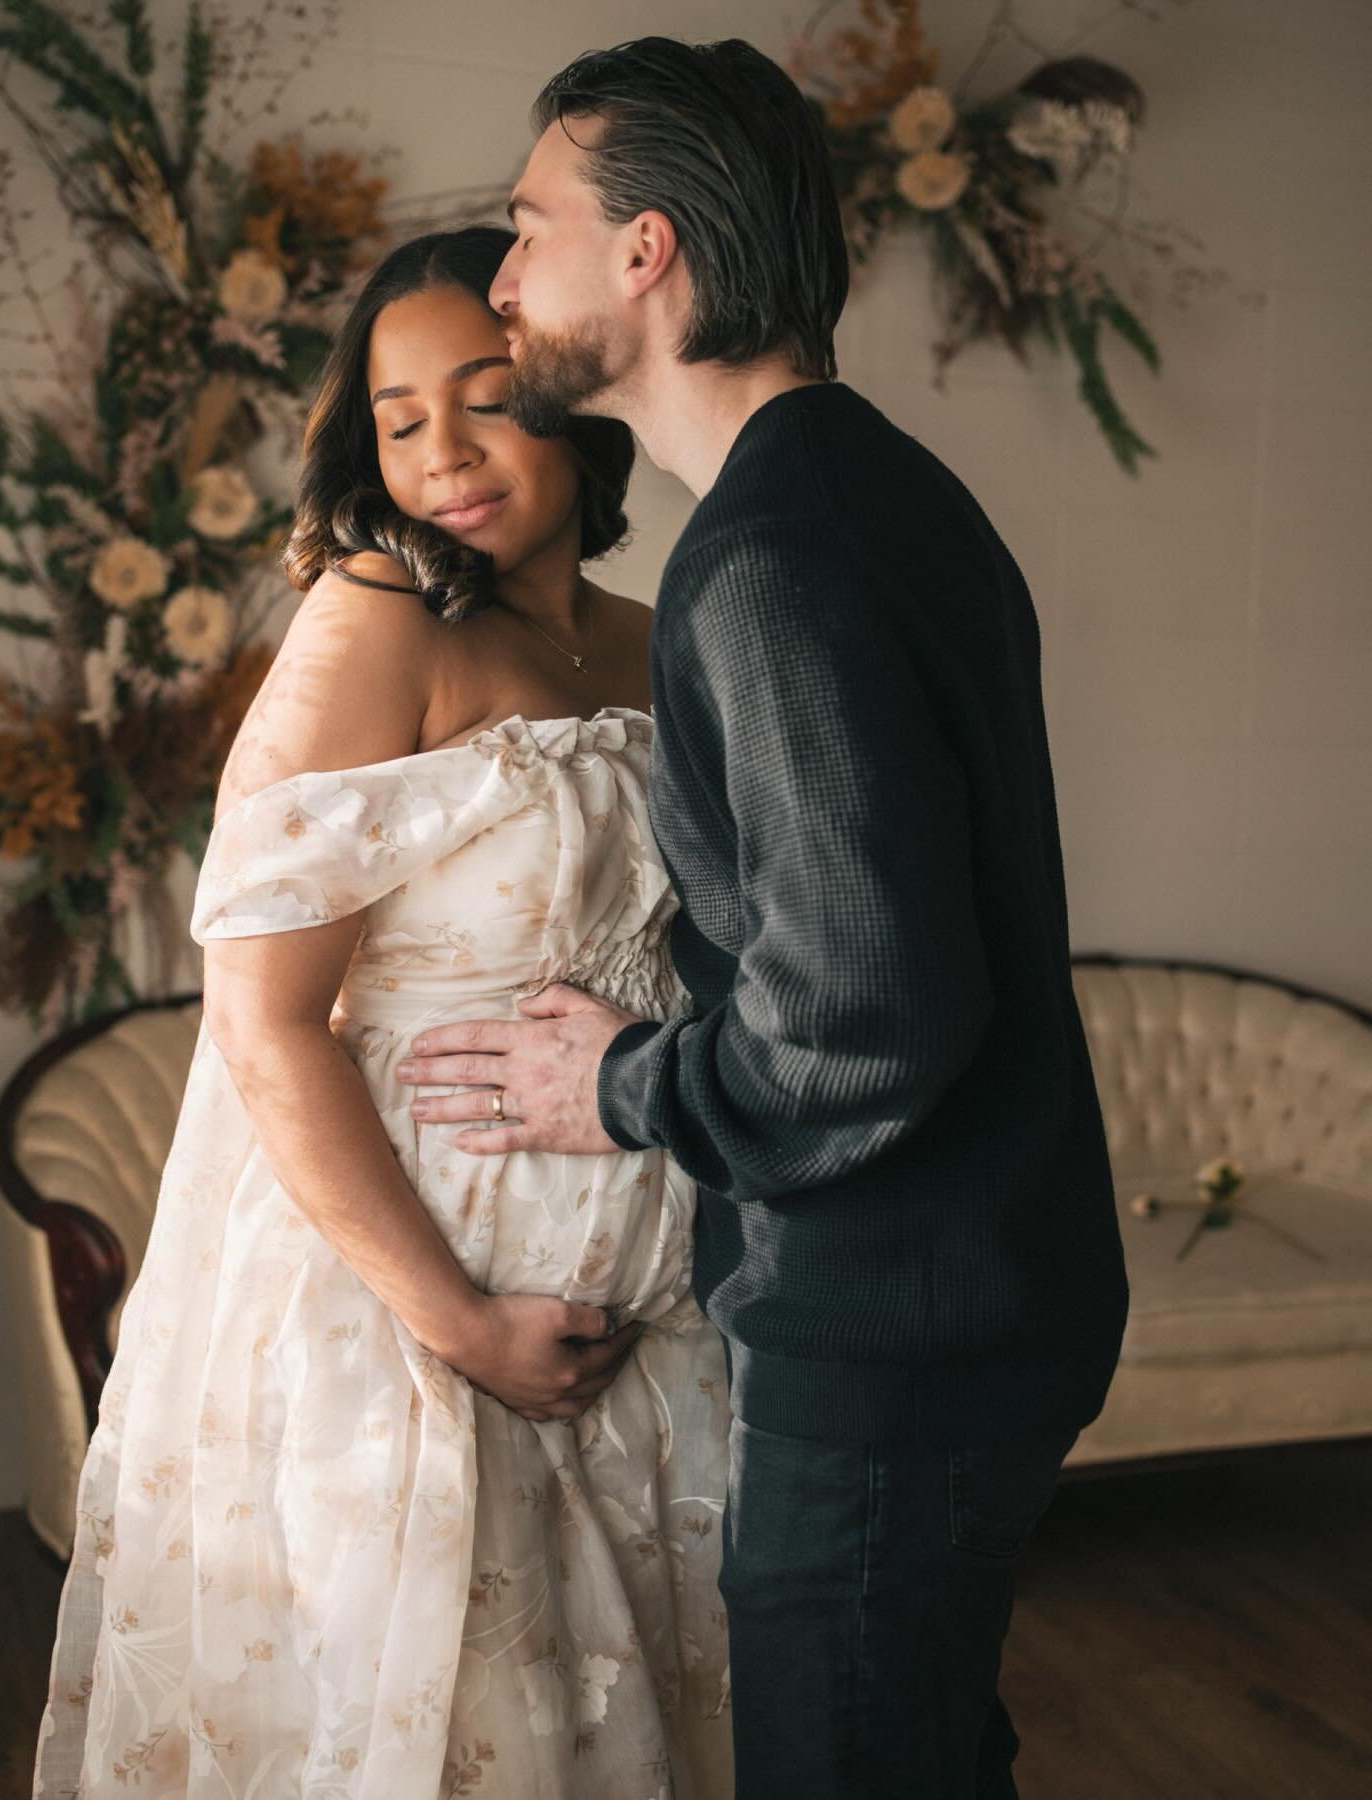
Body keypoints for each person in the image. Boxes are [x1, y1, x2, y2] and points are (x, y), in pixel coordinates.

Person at [397, 39, 1131, 1800]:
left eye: (527, 227)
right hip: (971, 1301)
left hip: (896, 1328)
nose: (502, 285)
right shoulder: (871, 490)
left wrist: (621, 1085)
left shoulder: (774, 562)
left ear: (648, 251)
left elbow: (861, 1011)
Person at [33, 225, 733, 1800]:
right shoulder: (376, 620)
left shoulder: (645, 639)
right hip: (410, 1310)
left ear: (573, 389)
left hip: (647, 1305)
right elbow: (266, 1020)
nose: (442, 456)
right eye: (399, 419)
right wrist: (460, 1319)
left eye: (485, 397)